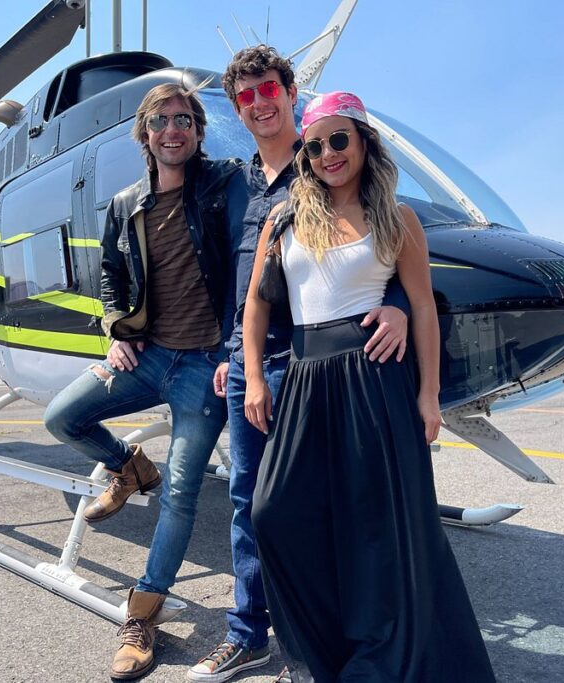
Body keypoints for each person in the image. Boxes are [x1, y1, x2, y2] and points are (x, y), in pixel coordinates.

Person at [243, 92, 496, 682]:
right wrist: (256, 375)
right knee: (274, 513)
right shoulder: (284, 217)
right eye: (316, 143)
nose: (329, 153)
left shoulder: (397, 217)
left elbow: (425, 310)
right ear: (303, 152)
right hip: (305, 379)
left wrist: (428, 393)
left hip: (372, 378)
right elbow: (257, 305)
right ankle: (319, 650)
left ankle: (380, 658)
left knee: (380, 526)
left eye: (340, 140)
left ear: (361, 143)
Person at [189, 48, 410, 683]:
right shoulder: (237, 185)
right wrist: (238, 354)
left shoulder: (325, 163)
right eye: (246, 97)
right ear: (236, 109)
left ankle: (309, 648)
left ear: (290, 93)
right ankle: (248, 633)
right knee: (250, 503)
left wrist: (395, 306)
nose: (259, 104)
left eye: (269, 90)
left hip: (317, 367)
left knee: (314, 508)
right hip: (254, 367)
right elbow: (242, 280)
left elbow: (381, 245)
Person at [42, 82, 238, 681]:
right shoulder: (126, 203)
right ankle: (129, 464)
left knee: (181, 493)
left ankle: (142, 612)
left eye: (184, 119)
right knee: (61, 417)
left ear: (198, 132)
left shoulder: (224, 182)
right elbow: (109, 273)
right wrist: (115, 328)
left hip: (206, 365)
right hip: (149, 354)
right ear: (145, 133)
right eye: (161, 121)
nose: (173, 130)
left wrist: (237, 346)